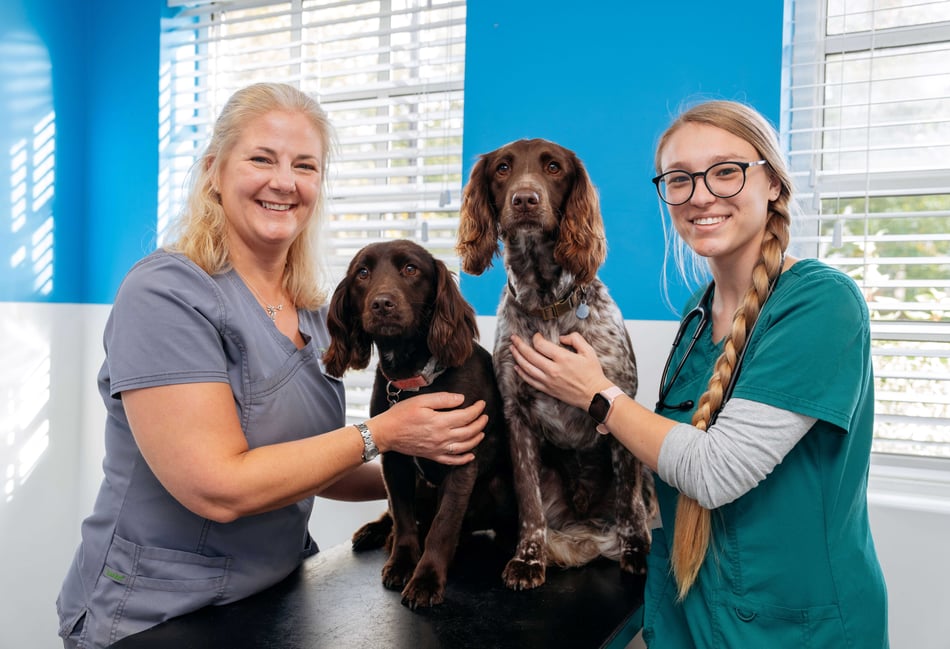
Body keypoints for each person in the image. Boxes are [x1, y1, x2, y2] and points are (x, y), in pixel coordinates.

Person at [56, 82, 487, 649]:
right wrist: (384, 434)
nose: (284, 181)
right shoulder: (164, 295)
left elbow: (306, 463)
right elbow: (219, 487)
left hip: (275, 599)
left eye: (304, 166)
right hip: (158, 613)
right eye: (262, 158)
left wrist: (435, 485)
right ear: (214, 170)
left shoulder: (308, 309)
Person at [509, 100, 888, 647]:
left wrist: (595, 393)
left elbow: (713, 473)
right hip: (694, 615)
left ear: (774, 185)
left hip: (796, 627)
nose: (701, 195)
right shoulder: (695, 316)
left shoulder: (821, 304)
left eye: (726, 171)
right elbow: (662, 466)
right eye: (680, 179)